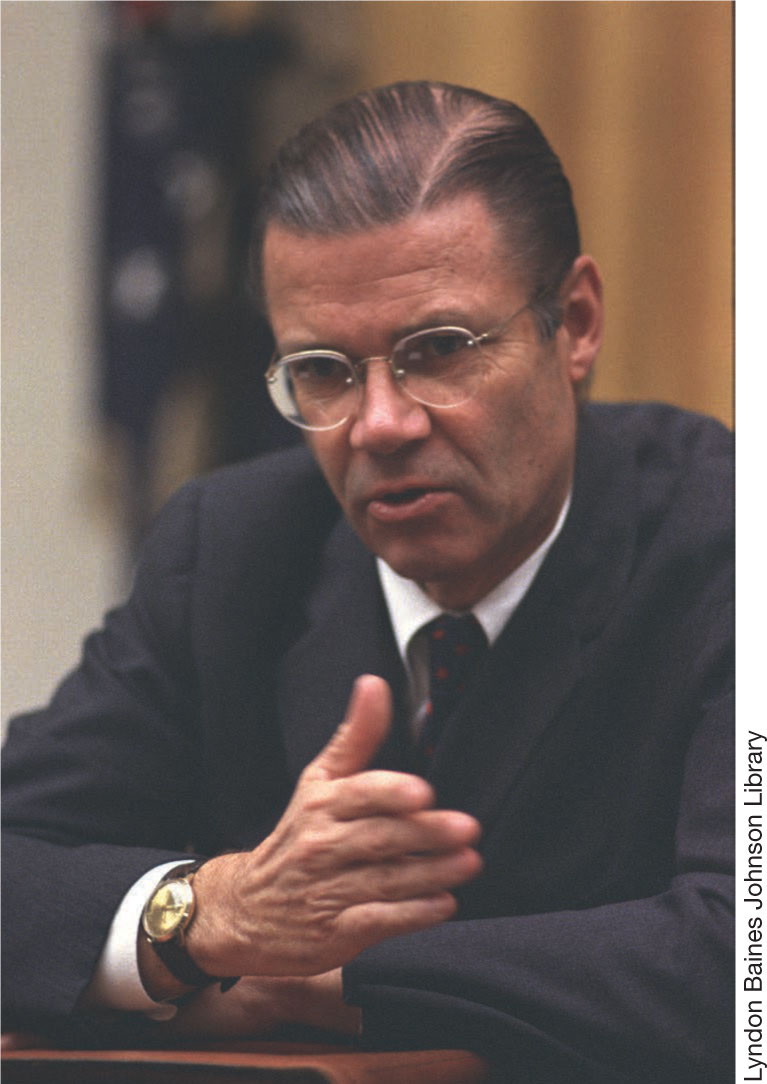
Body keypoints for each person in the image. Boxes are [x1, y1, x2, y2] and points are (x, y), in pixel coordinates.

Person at [2, 81, 733, 1081]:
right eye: (321, 369)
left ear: (573, 321)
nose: (377, 424)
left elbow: (734, 960)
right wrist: (209, 915)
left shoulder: (729, 542)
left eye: (436, 351)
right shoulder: (231, 547)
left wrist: (330, 976)